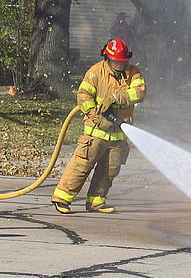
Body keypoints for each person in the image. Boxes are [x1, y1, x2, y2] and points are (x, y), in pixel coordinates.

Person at [51, 37, 146, 214]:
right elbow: (84, 98)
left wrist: (115, 98)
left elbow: (139, 92)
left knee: (109, 170)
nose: (120, 64)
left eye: (123, 61)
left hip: (118, 135)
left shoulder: (133, 72)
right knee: (82, 165)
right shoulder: (95, 73)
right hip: (95, 133)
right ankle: (62, 198)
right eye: (117, 61)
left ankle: (96, 201)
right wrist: (98, 119)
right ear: (107, 58)